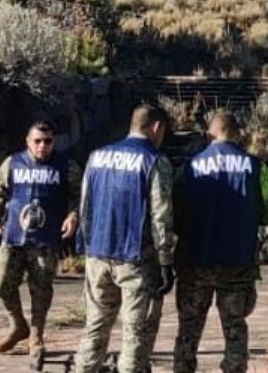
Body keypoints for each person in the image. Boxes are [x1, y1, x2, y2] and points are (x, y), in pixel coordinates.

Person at [174, 109, 268, 373]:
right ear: (237, 133)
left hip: (195, 261)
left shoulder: (189, 168)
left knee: (188, 329)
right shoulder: (256, 167)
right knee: (235, 329)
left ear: (210, 133)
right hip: (238, 263)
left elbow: (174, 214)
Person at [75, 103, 177, 373]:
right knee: (136, 333)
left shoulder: (97, 157)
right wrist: (166, 260)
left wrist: (86, 247)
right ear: (156, 127)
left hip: (98, 253)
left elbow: (85, 206)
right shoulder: (155, 161)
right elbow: (161, 215)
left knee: (95, 327)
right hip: (136, 258)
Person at [0, 119, 81, 355]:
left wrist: (73, 215)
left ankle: (36, 336)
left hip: (46, 239)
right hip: (14, 235)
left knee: (41, 289)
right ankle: (18, 324)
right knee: (2, 284)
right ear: (28, 141)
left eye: (47, 141)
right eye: (37, 141)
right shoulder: (13, 164)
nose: (42, 146)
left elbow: (80, 195)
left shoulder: (65, 166)